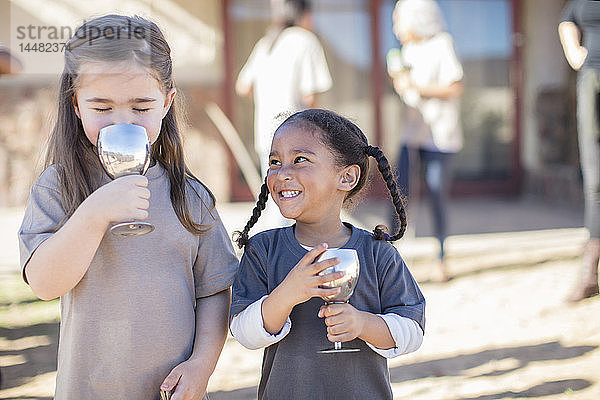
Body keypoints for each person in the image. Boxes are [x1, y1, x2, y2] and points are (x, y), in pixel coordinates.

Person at [18, 15, 238, 400]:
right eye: (102, 108)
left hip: (172, 391)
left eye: (141, 107)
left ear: (167, 103)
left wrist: (201, 366)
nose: (123, 121)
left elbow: (215, 290)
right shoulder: (59, 186)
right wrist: (94, 213)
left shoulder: (189, 196)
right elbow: (43, 283)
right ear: (76, 105)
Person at [229, 109, 425, 399]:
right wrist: (287, 294)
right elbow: (244, 333)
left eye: (300, 160)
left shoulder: (378, 253)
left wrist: (362, 324)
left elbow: (413, 331)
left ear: (346, 177)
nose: (282, 173)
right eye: (274, 162)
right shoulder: (262, 250)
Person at [388, 0, 464, 282]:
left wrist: (416, 87)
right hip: (412, 133)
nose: (396, 28)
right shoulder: (406, 51)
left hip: (440, 136)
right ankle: (388, 256)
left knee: (436, 195)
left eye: (399, 21)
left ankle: (441, 258)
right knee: (398, 193)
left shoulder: (443, 44)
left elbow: (455, 87)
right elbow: (407, 93)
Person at [236, 0, 332, 178]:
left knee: (273, 194)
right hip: (297, 136)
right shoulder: (306, 40)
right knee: (297, 197)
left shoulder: (266, 43)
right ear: (303, 14)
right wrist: (324, 130)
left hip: (267, 134)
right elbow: (309, 96)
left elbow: (242, 87)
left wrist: (267, 97)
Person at [559, 0, 600, 302]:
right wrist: (574, 51)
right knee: (596, 181)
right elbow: (567, 19)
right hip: (592, 80)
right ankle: (590, 272)